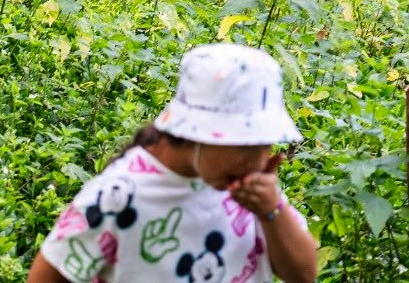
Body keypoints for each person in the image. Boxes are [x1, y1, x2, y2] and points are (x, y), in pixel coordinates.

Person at [27, 43, 317, 283]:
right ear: (197, 131)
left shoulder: (251, 192)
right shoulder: (119, 196)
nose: (259, 162)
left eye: (266, 144)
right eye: (245, 145)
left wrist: (271, 211)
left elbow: (303, 275)